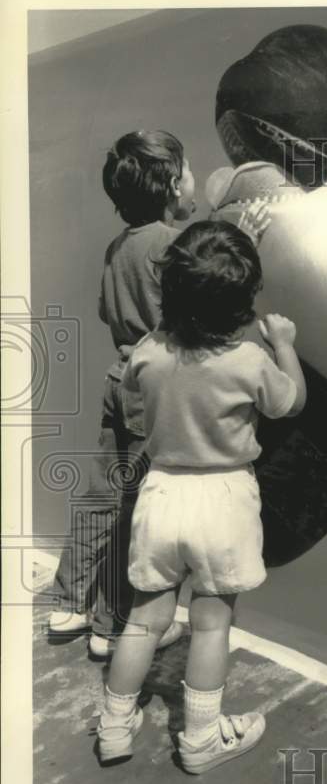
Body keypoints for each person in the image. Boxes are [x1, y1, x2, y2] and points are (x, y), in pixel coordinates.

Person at [47, 130, 269, 657]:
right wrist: (248, 244)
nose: (195, 181)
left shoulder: (118, 246)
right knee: (139, 509)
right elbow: (210, 283)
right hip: (154, 390)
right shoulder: (171, 245)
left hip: (117, 381)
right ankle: (111, 626)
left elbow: (108, 311)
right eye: (189, 171)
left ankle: (68, 604)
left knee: (100, 500)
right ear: (172, 186)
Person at [96, 220, 306, 773]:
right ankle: (201, 740)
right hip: (224, 498)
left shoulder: (148, 353)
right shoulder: (248, 361)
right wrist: (283, 345)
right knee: (210, 623)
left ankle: (115, 727)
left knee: (145, 620)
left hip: (161, 494)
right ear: (245, 301)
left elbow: (133, 389)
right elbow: (290, 404)